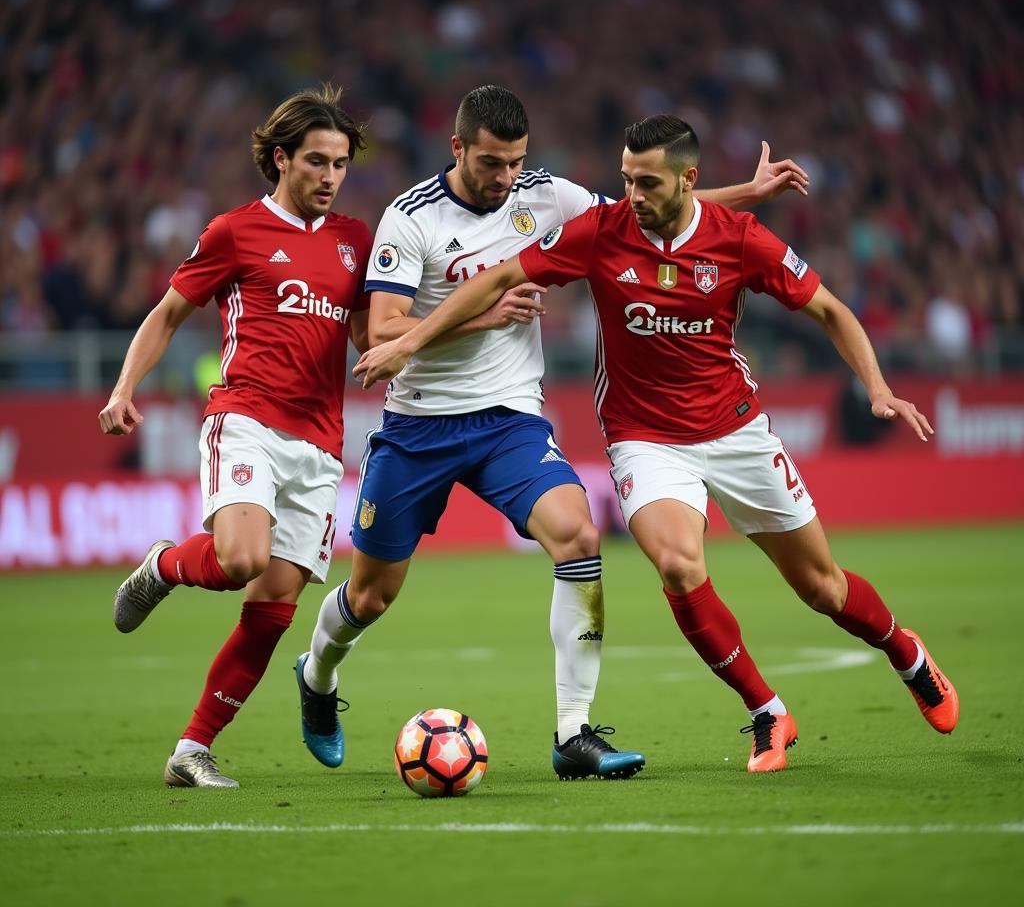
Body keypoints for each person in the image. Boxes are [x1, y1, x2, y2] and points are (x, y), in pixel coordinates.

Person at [353, 113, 959, 774]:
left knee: (823, 588)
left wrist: (876, 387)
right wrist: (408, 342)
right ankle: (767, 712)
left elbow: (830, 311)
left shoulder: (739, 239)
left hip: (736, 430)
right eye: (625, 181)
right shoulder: (599, 233)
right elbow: (495, 278)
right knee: (677, 564)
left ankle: (907, 653)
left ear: (687, 180)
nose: (633, 197)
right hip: (644, 439)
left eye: (647, 183)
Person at [296, 87, 809, 780]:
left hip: (509, 418)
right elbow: (383, 333)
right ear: (457, 149)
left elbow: (648, 212)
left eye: (515, 163)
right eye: (489, 163)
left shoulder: (548, 196)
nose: (504, 178)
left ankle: (574, 735)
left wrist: (744, 192)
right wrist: (486, 314)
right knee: (371, 594)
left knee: (578, 536)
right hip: (418, 424)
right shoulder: (409, 219)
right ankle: (318, 674)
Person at [98, 83, 378, 788]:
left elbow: (372, 333)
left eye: (340, 163)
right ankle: (165, 565)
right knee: (241, 560)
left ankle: (191, 749)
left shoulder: (355, 241)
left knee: (274, 609)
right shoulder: (235, 232)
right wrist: (124, 387)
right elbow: (167, 314)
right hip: (246, 418)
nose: (329, 176)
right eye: (316, 160)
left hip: (320, 445)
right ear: (281, 159)